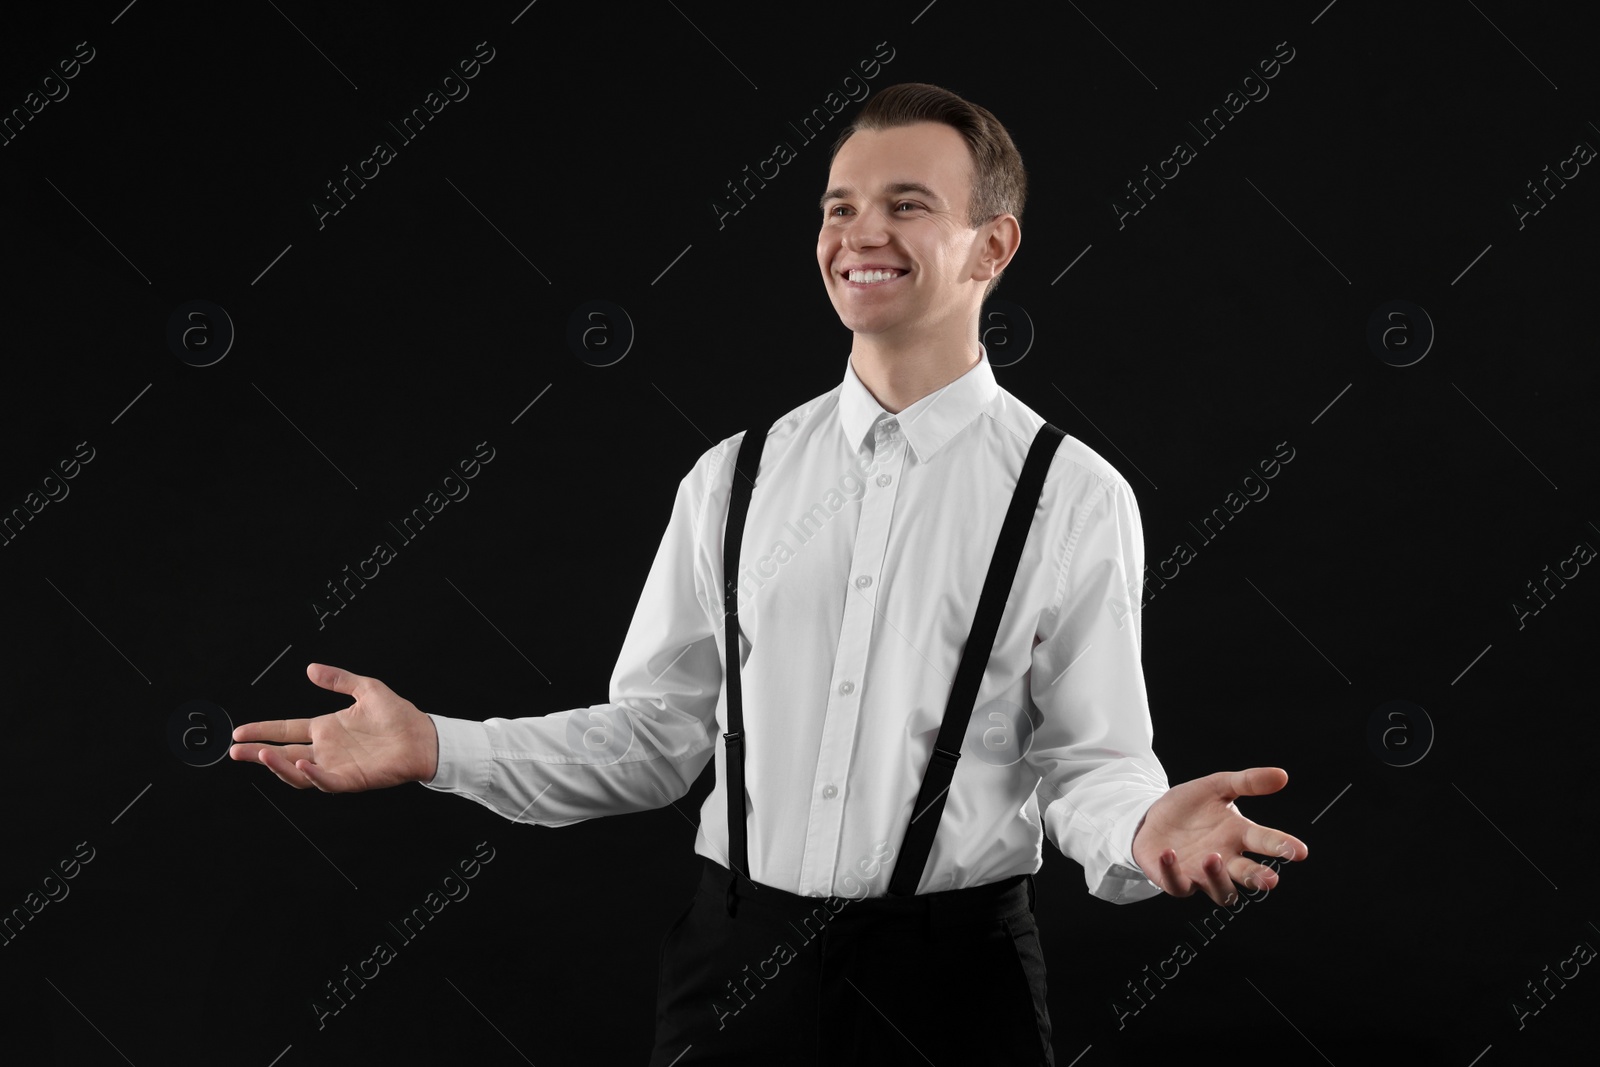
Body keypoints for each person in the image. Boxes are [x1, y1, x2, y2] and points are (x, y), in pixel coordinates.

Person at [231, 82, 1308, 1065]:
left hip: (954, 979)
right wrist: (437, 747)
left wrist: (1139, 825)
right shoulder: (732, 478)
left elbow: (1087, 762)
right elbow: (654, 739)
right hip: (732, 962)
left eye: (905, 204)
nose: (859, 234)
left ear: (992, 247)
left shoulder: (1072, 495)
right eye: (838, 207)